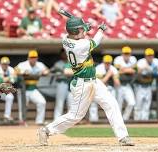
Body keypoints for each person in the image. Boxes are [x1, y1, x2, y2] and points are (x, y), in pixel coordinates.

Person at [38, 13, 134, 146]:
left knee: (111, 104)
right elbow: (95, 41)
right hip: (82, 84)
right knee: (75, 116)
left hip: (94, 81)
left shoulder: (66, 40)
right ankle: (46, 130)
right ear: (76, 31)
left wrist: (84, 28)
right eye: (80, 29)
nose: (83, 30)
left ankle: (123, 136)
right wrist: (100, 30)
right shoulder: (81, 45)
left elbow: (78, 35)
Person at [15, 50, 49, 125]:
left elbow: (47, 70)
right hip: (23, 89)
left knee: (42, 102)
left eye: (35, 57)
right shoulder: (23, 64)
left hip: (33, 89)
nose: (33, 59)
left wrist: (44, 72)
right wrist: (23, 73)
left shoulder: (39, 65)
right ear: (28, 58)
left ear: (37, 58)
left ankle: (39, 121)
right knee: (23, 106)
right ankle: (22, 122)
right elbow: (15, 71)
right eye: (31, 57)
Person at [89, 55, 120, 122]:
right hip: (98, 88)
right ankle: (93, 120)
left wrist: (114, 77)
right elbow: (100, 83)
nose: (107, 64)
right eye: (106, 62)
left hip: (109, 88)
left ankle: (112, 120)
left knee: (112, 104)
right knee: (94, 103)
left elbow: (118, 84)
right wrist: (108, 75)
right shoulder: (98, 68)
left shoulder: (113, 69)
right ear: (103, 62)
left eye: (109, 63)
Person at [135, 48, 158, 120]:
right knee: (138, 105)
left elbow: (157, 73)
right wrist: (147, 68)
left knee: (147, 105)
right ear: (145, 56)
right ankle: (137, 121)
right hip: (139, 86)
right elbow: (139, 71)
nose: (150, 57)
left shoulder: (156, 62)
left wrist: (148, 68)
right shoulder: (141, 61)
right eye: (148, 55)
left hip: (148, 86)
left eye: (151, 55)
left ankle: (144, 121)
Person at [0, 57, 17, 123]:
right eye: (3, 64)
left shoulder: (11, 69)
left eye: (6, 64)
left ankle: (7, 116)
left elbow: (14, 80)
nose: (5, 65)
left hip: (4, 90)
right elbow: (1, 80)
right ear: (0, 64)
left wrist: (8, 79)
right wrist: (9, 78)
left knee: (10, 97)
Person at [114, 46, 136, 121]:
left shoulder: (133, 59)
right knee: (118, 105)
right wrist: (128, 69)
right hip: (119, 86)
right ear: (122, 54)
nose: (126, 55)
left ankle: (124, 119)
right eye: (125, 53)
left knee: (132, 103)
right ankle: (117, 121)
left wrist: (123, 69)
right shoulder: (118, 59)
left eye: (128, 53)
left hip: (127, 85)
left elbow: (134, 71)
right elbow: (117, 71)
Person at [52, 49, 73, 120]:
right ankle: (56, 119)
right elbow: (54, 71)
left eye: (66, 53)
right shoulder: (58, 63)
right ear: (61, 54)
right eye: (64, 53)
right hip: (61, 83)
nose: (65, 55)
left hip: (71, 84)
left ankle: (70, 120)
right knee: (59, 102)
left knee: (71, 102)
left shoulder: (72, 63)